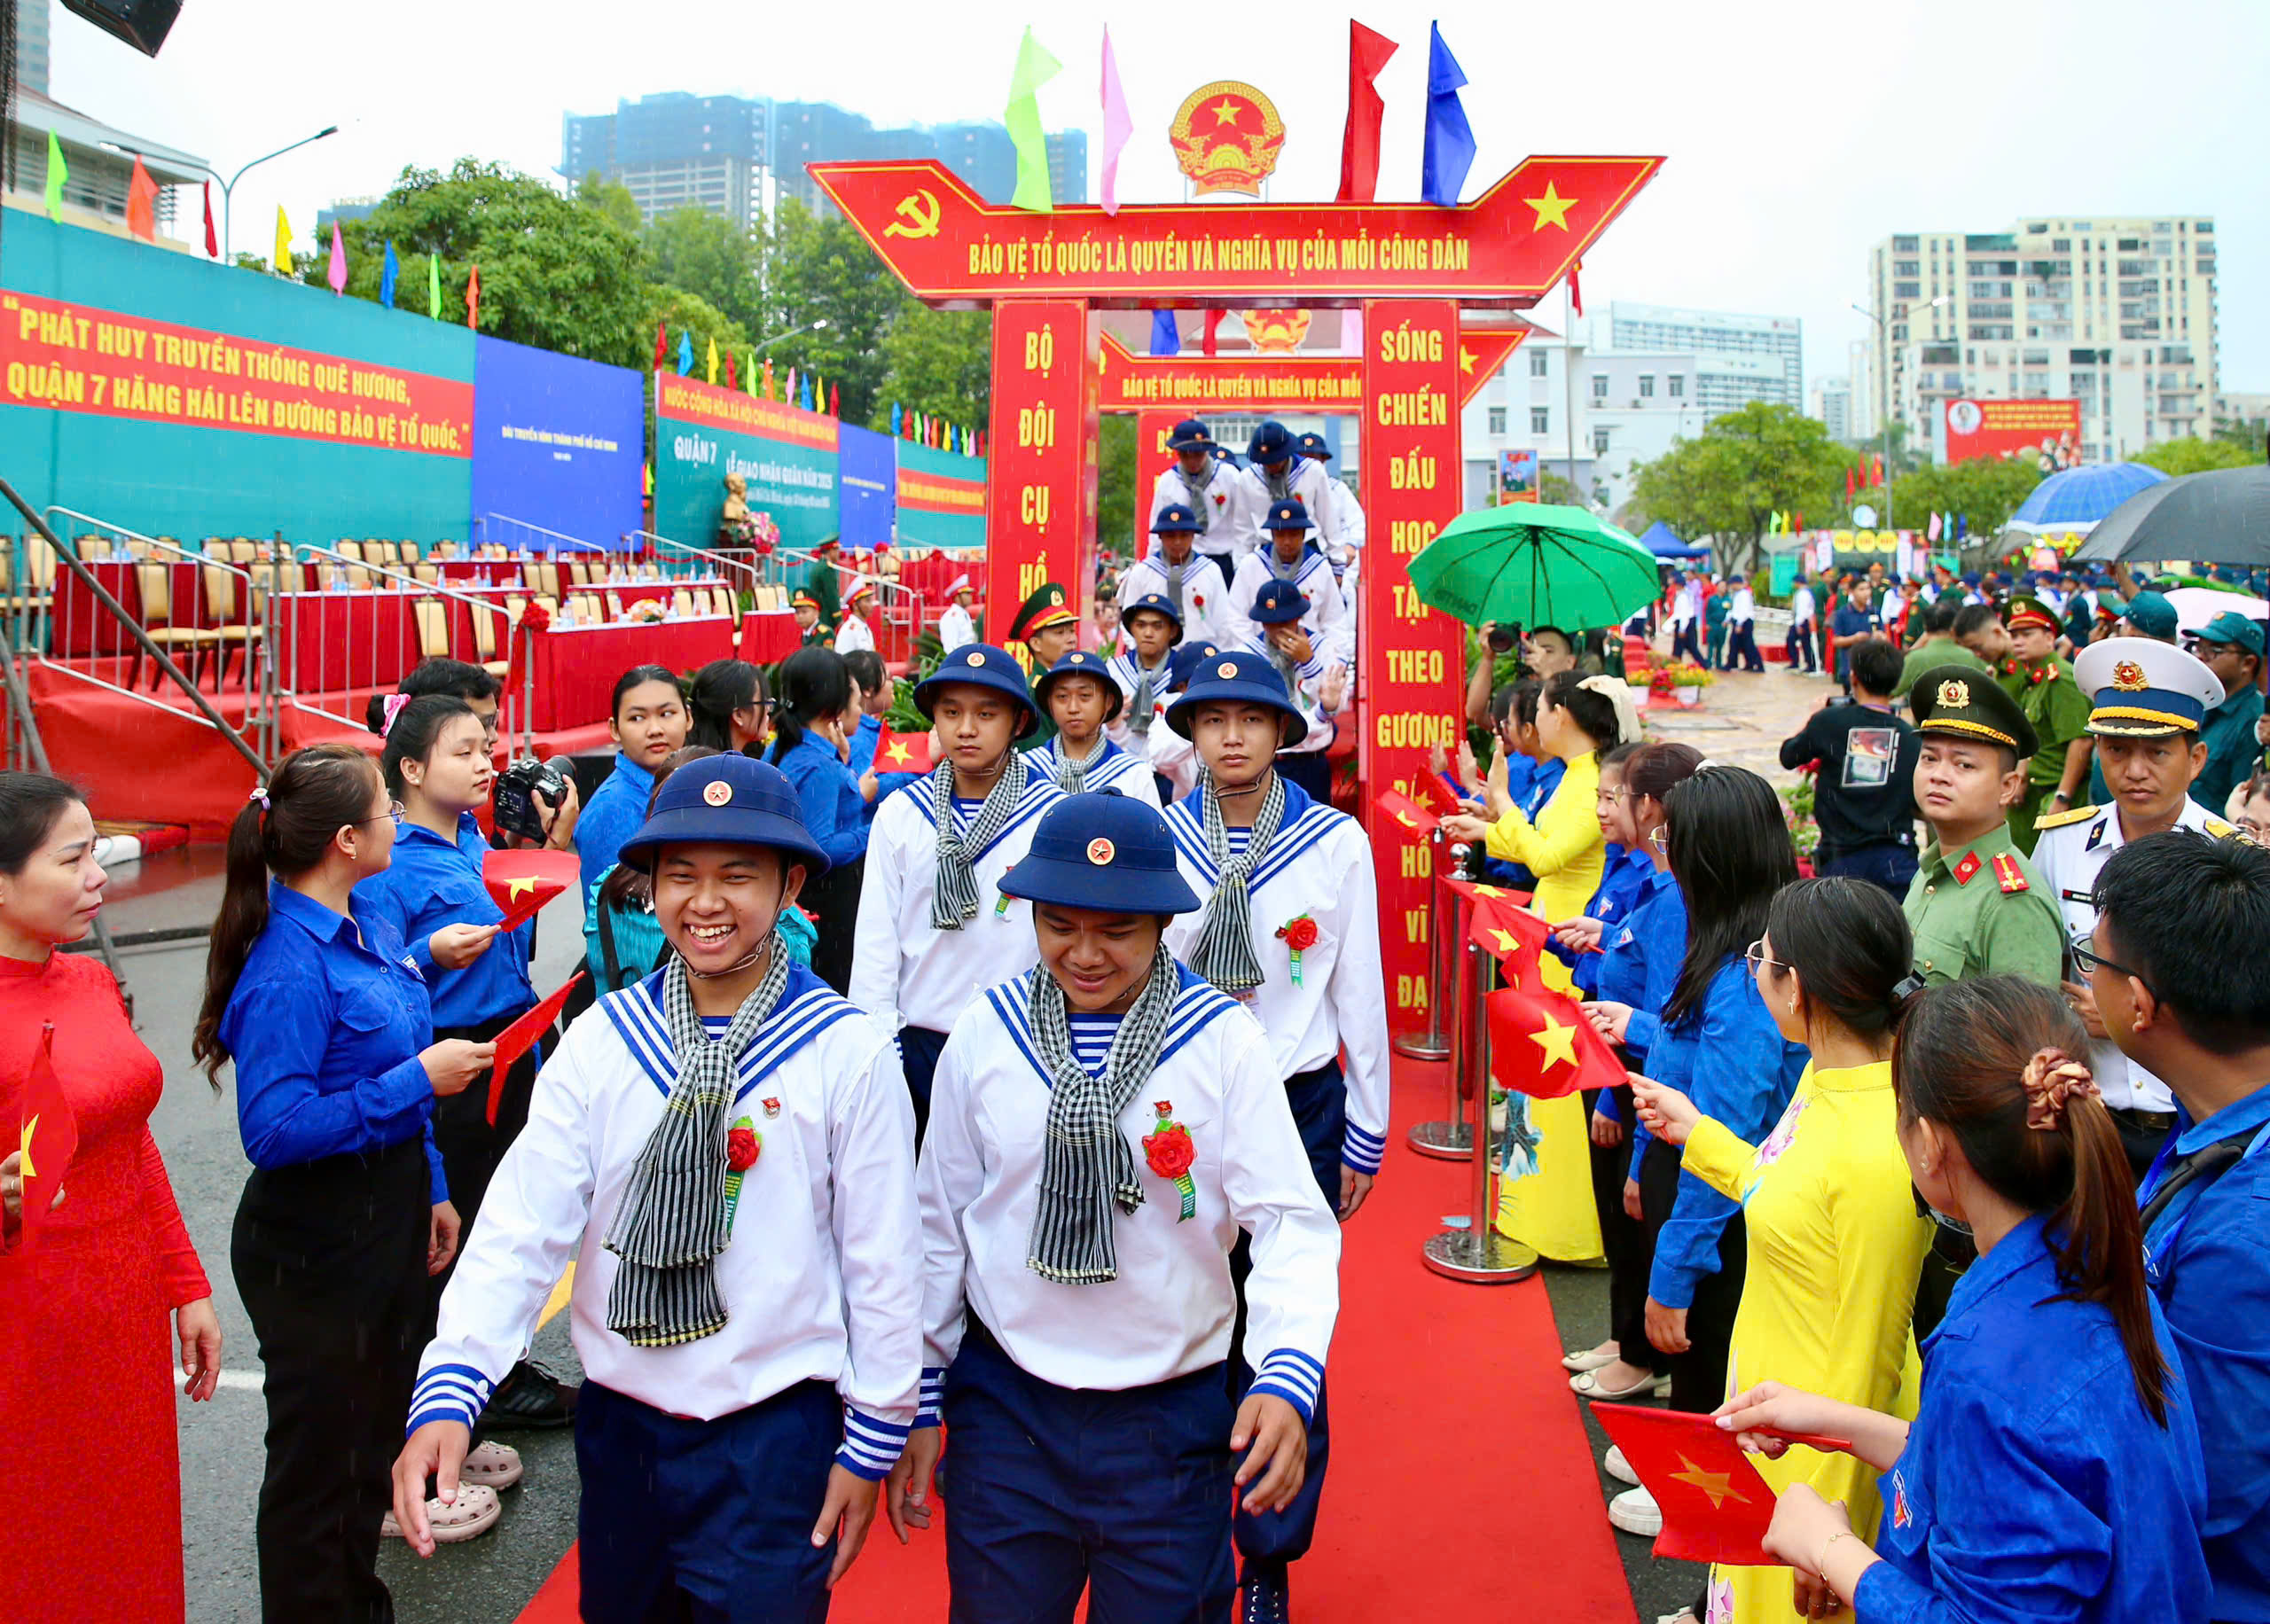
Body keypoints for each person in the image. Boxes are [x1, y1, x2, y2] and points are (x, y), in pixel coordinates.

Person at [394, 753, 923, 1617]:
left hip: (774, 1432)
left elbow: (883, 1256)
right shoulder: (608, 1040)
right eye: (680, 875)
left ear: (791, 884)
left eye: (736, 875)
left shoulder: (844, 1048)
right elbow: (523, 1226)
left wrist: (873, 1434)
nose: (705, 901)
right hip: (625, 1425)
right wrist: (454, 1382)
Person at [890, 792, 1340, 1624]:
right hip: (1009, 1411)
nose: (1085, 954)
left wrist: (1286, 1373)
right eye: (1059, 925)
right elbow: (940, 1223)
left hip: (1170, 1421)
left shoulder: (1220, 1040)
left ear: (1164, 925)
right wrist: (914, 1401)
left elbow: (1291, 1222)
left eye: (1117, 931)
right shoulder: (986, 1034)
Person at [1715, 975, 2211, 1624]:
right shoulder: (2102, 1257)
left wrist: (1830, 1547)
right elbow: (2025, 1475)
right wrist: (1839, 1423)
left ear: (1927, 1143)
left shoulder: (1989, 1360)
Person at [191, 744, 500, 1614]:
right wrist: (419, 1082)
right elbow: (276, 1129)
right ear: (343, 839)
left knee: (368, 1442)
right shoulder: (287, 962)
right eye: (383, 810)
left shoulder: (370, 917)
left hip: (387, 1198)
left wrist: (431, 1183)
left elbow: (396, 1046)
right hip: (317, 1233)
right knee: (318, 1466)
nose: (395, 822)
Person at [1631, 878, 1933, 1624]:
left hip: (1818, 1450)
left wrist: (1835, 1525)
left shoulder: (1875, 1150)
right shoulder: (1829, 1074)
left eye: (1759, 956)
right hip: (1777, 1417)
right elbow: (1782, 1189)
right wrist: (1695, 1131)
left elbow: (1873, 1354)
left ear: (1796, 989)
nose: (1753, 968)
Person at [1153, 651, 1386, 1613]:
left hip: (1297, 1104)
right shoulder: (1156, 839)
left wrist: (1366, 1126)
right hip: (1183, 1106)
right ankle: (1182, 1516)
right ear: (1192, 734)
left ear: (1284, 731)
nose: (1234, 736)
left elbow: (1357, 986)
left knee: (1285, 1325)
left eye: (1253, 718)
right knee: (1186, 1314)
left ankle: (1269, 1555)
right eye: (1213, 720)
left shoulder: (1333, 843)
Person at [0, 772, 221, 1621]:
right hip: (28, 1328)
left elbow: (130, 1141)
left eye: (98, 851)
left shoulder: (89, 983)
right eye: (74, 857)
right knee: (36, 1538)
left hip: (119, 1318)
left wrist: (184, 1282)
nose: (100, 873)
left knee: (129, 1528)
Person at [1595, 768, 1806, 1551]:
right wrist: (1642, 1027)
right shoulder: (1728, 943)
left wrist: (1675, 1275)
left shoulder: (1752, 970)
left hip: (1718, 1211)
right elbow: (1697, 1057)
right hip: (1688, 1180)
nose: (1662, 851)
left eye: (1671, 839)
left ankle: (1698, 1511)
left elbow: (1724, 1134)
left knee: (1703, 1358)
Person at [356, 696, 576, 1433]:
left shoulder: (479, 842)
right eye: (464, 752)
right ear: (411, 768)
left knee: (502, 1217)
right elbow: (374, 977)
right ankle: (449, 1396)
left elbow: (515, 937)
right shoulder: (388, 865)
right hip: (449, 1056)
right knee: (455, 1223)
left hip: (512, 1040)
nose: (485, 763)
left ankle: (493, 1373)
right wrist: (428, 953)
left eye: (487, 748)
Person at [2092, 831, 2270, 1621]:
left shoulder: (2241, 1240)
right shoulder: (2216, 1125)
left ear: (2140, 1004)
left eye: (2090, 959)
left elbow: (2207, 1484)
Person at [1447, 674, 1640, 1268]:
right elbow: (1529, 845)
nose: (1538, 717)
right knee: (1536, 1089)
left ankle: (1569, 1232)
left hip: (1570, 946)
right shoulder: (1578, 781)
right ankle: (1533, 1216)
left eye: (1544, 708)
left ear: (1564, 717)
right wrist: (1491, 821)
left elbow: (1546, 855)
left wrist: (1501, 805)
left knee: (1556, 1094)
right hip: (1549, 941)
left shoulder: (1588, 784)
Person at [2031, 637, 2233, 1179]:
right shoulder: (2062, 844)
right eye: (2117, 751)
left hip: (2197, 1125)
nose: (2135, 770)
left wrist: (2135, 1018)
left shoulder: (2230, 857)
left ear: (2196, 759)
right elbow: (2038, 965)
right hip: (2091, 1112)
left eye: (2157, 752)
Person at [850, 644, 1063, 1136]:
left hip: (1021, 1039)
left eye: (986, 714)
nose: (966, 728)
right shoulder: (903, 814)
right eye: (951, 712)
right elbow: (878, 941)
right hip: (921, 1042)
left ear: (1017, 722)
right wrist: (877, 1046)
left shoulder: (1049, 815)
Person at [1562, 741, 1703, 1396]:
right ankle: (1628, 1338)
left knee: (1637, 1214)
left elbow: (1665, 1019)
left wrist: (1622, 1104)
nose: (1604, 808)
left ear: (1651, 807)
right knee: (1620, 1216)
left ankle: (1647, 1358)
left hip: (1637, 1078)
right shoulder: (1646, 878)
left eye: (1614, 796)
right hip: (1617, 1063)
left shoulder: (1674, 895)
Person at [1902, 666, 2062, 988]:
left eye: (1964, 765)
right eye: (1930, 758)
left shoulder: (2014, 903)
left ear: (2008, 787)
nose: (1939, 775)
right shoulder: (1932, 870)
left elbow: (2025, 1034)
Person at [1779, 636, 1922, 895]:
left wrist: (1811, 717)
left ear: (1853, 677)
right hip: (1897, 858)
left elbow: (1789, 756)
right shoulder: (1911, 736)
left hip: (1841, 858)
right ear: (1896, 682)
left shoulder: (1829, 721)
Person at [765, 646, 868, 993]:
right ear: (833, 705)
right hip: (825, 901)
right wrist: (874, 831)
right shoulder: (816, 764)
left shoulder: (787, 748)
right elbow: (820, 847)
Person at [577, 666, 693, 910]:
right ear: (614, 729)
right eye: (637, 718)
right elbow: (614, 916)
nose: (655, 730)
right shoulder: (611, 809)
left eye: (667, 713)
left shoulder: (689, 783)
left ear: (688, 717)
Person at [1238, 578, 1347, 804]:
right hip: (1265, 761)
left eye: (1285, 622)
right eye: (1270, 623)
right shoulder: (1248, 653)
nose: (1278, 630)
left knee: (1315, 832)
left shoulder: (1321, 646)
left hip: (1310, 760)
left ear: (1298, 617)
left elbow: (1335, 705)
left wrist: (1308, 662)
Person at [1999, 595, 2094, 851]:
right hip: (2033, 790)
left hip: (2056, 793)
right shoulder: (2035, 677)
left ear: (2050, 638)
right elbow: (2033, 738)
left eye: (2027, 634)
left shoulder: (2059, 678)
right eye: (2014, 635)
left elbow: (2081, 741)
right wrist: (2021, 775)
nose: (2018, 642)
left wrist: (2062, 797)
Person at [1029, 648, 1162, 807]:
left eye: (1085, 696)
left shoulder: (1134, 775)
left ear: (1108, 702)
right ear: (1050, 703)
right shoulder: (1030, 769)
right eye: (1062, 697)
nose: (1073, 708)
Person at [1228, 497, 1348, 653]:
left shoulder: (1319, 567)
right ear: (1271, 534)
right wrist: (1254, 654)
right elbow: (1236, 618)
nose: (1286, 541)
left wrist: (1330, 657)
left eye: (1293, 534)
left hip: (1308, 655)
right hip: (1261, 655)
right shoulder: (1251, 565)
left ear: (1304, 535)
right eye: (1280, 534)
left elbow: (1333, 620)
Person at [2187, 610, 2266, 816]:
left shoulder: (2254, 722)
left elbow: (2240, 800)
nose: (2201, 656)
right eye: (2199, 647)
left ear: (2247, 663)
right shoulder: (2200, 701)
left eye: (2214, 650)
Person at [1149, 417, 1250, 576]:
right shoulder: (1168, 481)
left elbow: (1243, 523)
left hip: (1224, 558)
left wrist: (1242, 564)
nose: (1192, 460)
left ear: (1207, 451)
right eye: (1185, 455)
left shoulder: (1228, 475)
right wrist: (1153, 565)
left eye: (1198, 454)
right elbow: (1157, 528)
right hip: (1184, 559)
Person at [1122, 503, 1232, 648]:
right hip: (1156, 656)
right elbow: (1129, 619)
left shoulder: (1210, 570)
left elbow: (1223, 621)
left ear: (1193, 536)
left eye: (1184, 535)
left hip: (1201, 652)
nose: (1177, 542)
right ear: (1160, 536)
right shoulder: (1142, 572)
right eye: (1170, 536)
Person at [1236, 419, 1335, 558]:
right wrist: (1241, 564)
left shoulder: (1312, 471)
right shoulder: (1248, 478)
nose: (1272, 466)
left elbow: (1329, 518)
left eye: (1276, 460)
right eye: (1266, 462)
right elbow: (1243, 528)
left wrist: (1337, 560)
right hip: (1267, 548)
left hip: (1307, 546)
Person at [1106, 589, 1184, 756]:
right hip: (1118, 764)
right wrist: (1111, 721)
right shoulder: (1114, 670)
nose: (1148, 633)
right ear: (1131, 629)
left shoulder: (1183, 674)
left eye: (1158, 626)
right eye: (1140, 625)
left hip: (1171, 773)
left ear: (1173, 631)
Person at [1892, 597, 1986, 704]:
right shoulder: (1972, 656)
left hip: (1926, 718)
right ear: (1954, 625)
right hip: (1966, 718)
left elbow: (1894, 690)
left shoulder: (1916, 658)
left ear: (1925, 626)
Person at [1296, 430, 1364, 562]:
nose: (1310, 464)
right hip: (1301, 557)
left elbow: (1357, 521)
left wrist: (1351, 544)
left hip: (1335, 556)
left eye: (1314, 458)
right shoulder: (1290, 489)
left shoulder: (1337, 488)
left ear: (1323, 461)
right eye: (1304, 458)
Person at [685, 658, 769, 755]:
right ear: (739, 715)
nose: (768, 710)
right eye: (764, 703)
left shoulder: (693, 763)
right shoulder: (732, 768)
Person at [1829, 578, 1884, 690]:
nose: (1866, 593)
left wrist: (1880, 636)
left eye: (1868, 589)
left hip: (1872, 667)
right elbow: (1835, 641)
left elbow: (1884, 636)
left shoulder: (1874, 611)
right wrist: (1854, 639)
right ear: (1852, 592)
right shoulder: (1843, 613)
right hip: (1851, 666)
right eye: (1861, 589)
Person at [803, 533, 843, 635]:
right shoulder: (826, 569)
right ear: (831, 551)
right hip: (826, 616)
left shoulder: (819, 566)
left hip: (819, 615)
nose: (839, 553)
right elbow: (832, 595)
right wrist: (838, 618)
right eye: (837, 550)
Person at [1668, 570, 1704, 666]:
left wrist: (1682, 629)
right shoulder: (1684, 594)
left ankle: (1703, 664)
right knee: (1683, 647)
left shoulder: (1683, 596)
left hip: (1685, 623)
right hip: (1685, 622)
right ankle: (1676, 664)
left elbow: (1684, 613)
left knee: (1687, 646)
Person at [1785, 573, 1819, 675]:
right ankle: (1797, 661)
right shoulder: (1801, 592)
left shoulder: (1804, 594)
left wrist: (1799, 624)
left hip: (1803, 621)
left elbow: (1802, 610)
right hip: (1800, 621)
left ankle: (1809, 664)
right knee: (1795, 640)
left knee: (1805, 643)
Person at [835, 577, 879, 655]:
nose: (871, 605)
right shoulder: (849, 630)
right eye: (867, 601)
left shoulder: (865, 628)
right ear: (855, 605)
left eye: (871, 600)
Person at [936, 575, 979, 653]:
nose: (970, 597)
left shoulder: (964, 614)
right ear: (957, 597)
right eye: (966, 594)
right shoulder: (951, 617)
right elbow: (950, 647)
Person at [1704, 579, 1731, 671]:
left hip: (1722, 626)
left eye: (1725, 586)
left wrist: (1727, 621)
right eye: (1721, 586)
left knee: (1720, 645)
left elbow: (1730, 612)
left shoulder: (1728, 599)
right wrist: (1707, 623)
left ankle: (1718, 663)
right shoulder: (1712, 599)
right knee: (1711, 645)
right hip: (1713, 624)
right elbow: (1707, 612)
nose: (1723, 588)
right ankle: (1709, 662)